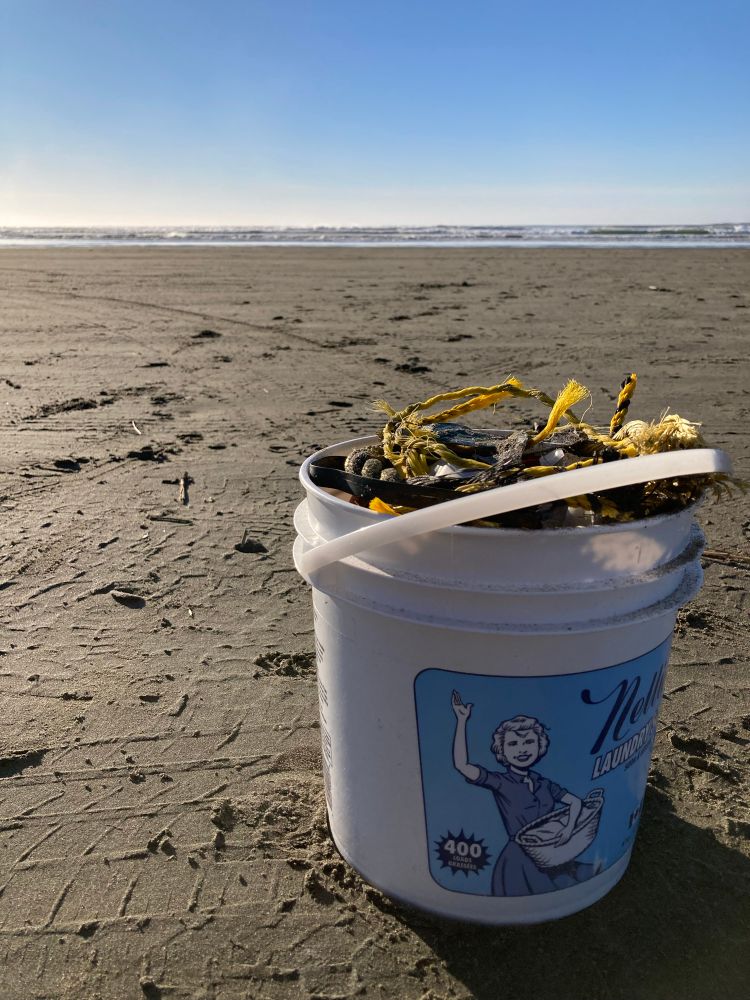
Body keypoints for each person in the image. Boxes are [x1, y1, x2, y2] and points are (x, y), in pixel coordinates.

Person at [451, 690, 599, 896]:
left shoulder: (543, 783)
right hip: (520, 859)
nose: (522, 749)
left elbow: (575, 802)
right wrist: (461, 720)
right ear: (502, 751)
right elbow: (462, 765)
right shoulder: (501, 782)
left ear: (540, 746)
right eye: (513, 744)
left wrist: (568, 829)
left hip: (552, 852)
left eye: (529, 742)